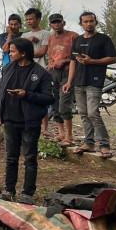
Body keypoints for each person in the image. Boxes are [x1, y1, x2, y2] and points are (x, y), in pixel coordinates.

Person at [0, 38, 54, 203]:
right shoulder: (7, 69)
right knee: (11, 157)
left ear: (23, 53)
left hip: (30, 122)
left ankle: (27, 193)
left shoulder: (41, 73)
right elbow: (1, 93)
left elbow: (49, 98)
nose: (10, 53)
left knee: (29, 158)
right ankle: (9, 190)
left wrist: (27, 95)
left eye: (13, 51)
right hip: (10, 121)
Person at [64, 12, 116, 158]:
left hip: (94, 81)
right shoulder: (77, 40)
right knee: (82, 113)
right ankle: (88, 142)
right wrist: (69, 82)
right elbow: (73, 61)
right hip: (79, 82)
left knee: (93, 113)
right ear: (81, 23)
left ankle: (104, 145)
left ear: (95, 22)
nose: (88, 24)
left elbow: (113, 58)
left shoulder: (103, 39)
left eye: (91, 21)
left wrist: (92, 61)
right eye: (85, 21)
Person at [47, 13, 78, 147]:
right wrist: (50, 64)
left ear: (63, 23)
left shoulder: (73, 36)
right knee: (55, 104)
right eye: (54, 22)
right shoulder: (51, 38)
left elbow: (77, 56)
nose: (56, 24)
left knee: (64, 104)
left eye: (58, 22)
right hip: (54, 73)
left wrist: (64, 61)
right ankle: (61, 133)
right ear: (50, 25)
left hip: (67, 72)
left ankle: (69, 136)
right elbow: (50, 56)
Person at [22, 8, 52, 136]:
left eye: (32, 18)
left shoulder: (45, 33)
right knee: (27, 95)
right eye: (27, 19)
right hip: (26, 70)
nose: (29, 21)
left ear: (38, 19)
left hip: (41, 69)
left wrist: (26, 54)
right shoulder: (24, 35)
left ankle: (45, 128)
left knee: (41, 97)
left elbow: (42, 51)